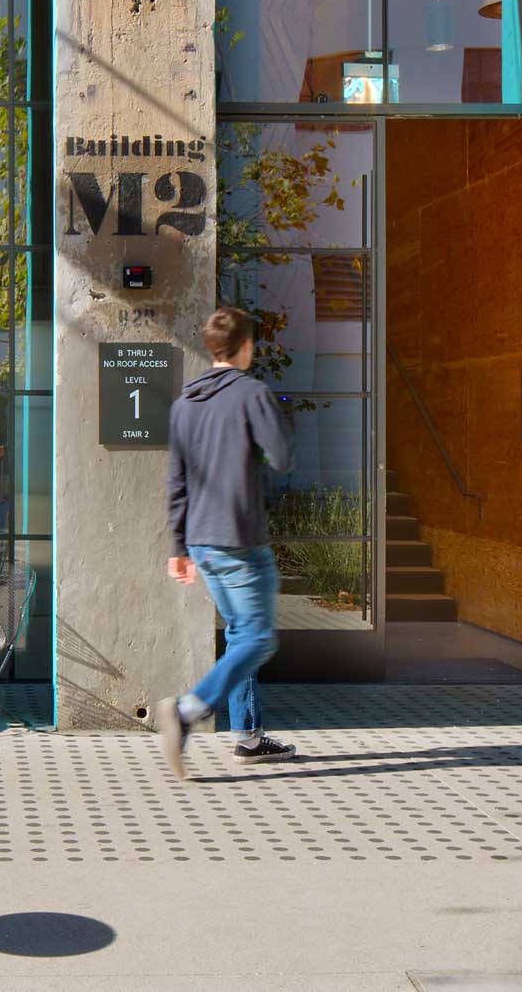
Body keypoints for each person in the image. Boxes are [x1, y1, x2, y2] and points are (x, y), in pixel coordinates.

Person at [156, 306, 297, 778]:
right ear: (245, 347)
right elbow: (282, 457)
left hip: (200, 541)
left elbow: (175, 481)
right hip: (239, 538)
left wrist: (178, 547)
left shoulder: (184, 403)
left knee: (240, 636)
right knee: (257, 638)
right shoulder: (252, 393)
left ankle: (249, 737)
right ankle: (185, 712)